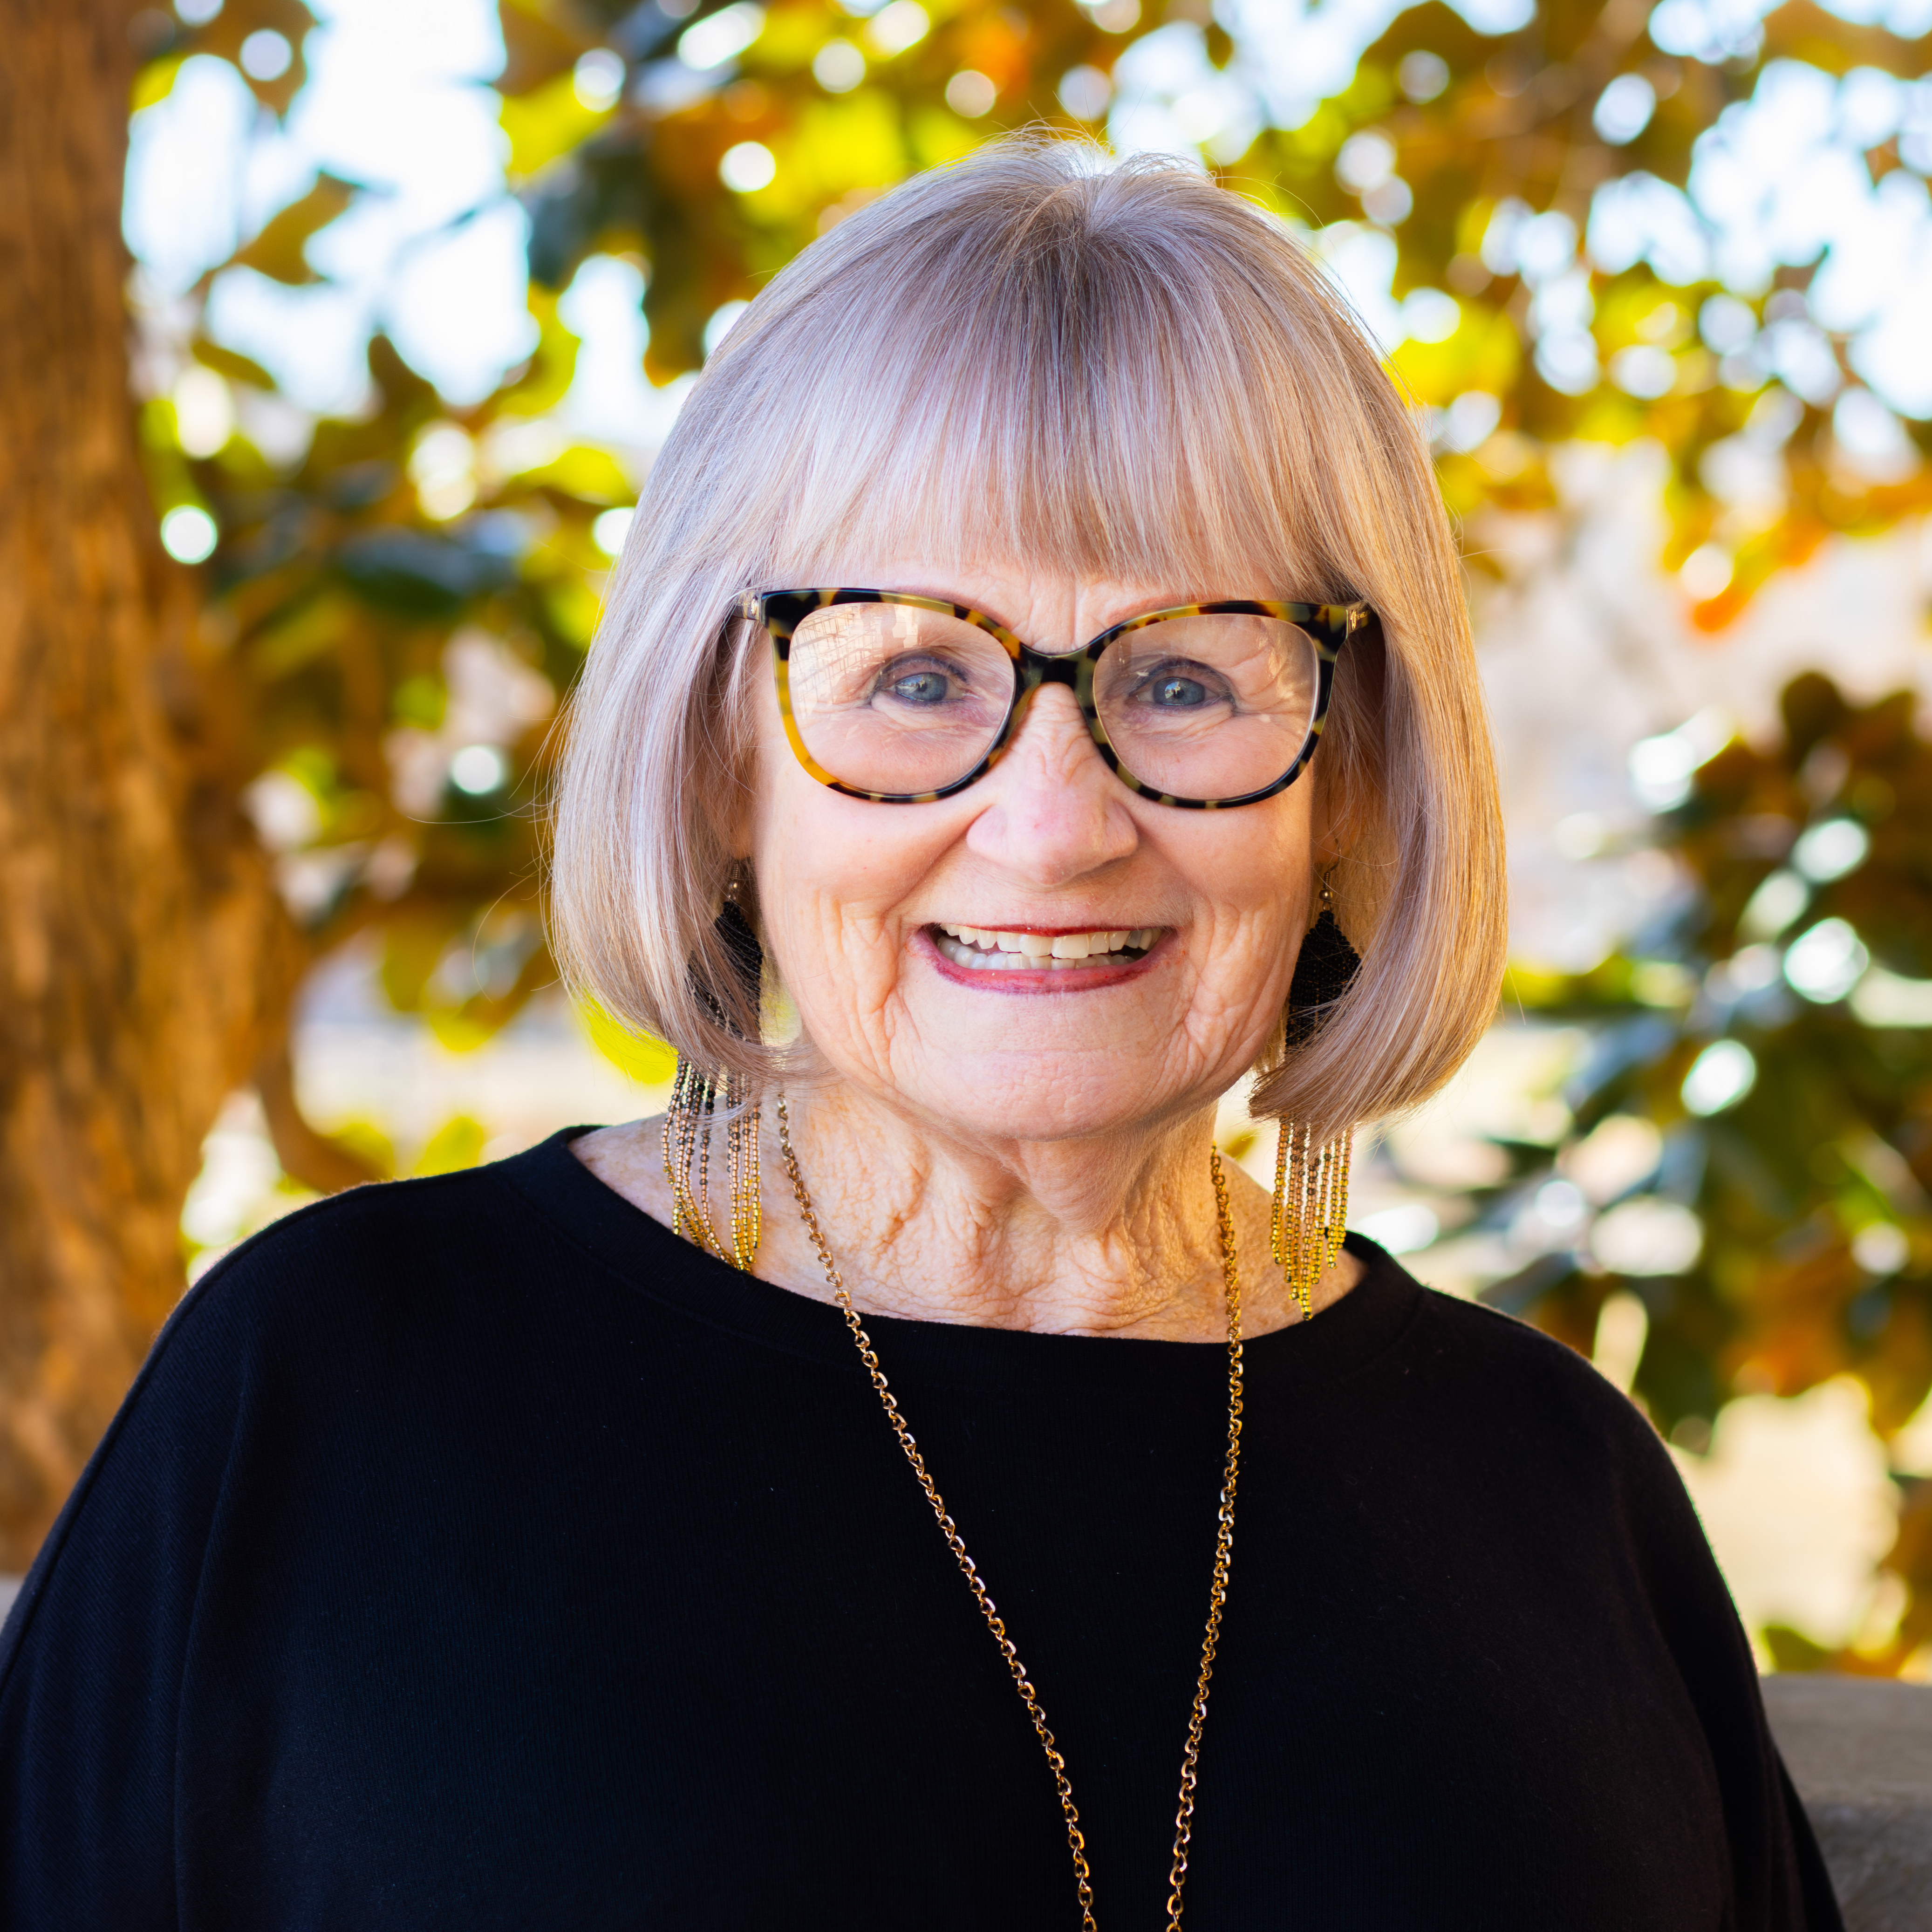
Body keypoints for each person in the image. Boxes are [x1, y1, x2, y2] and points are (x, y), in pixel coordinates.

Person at [0, 140, 1838, 1931]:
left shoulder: (1557, 1489)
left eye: (1184, 678)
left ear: (1353, 780)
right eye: (915, 676)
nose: (1051, 822)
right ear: (726, 760)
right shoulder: (324, 1393)